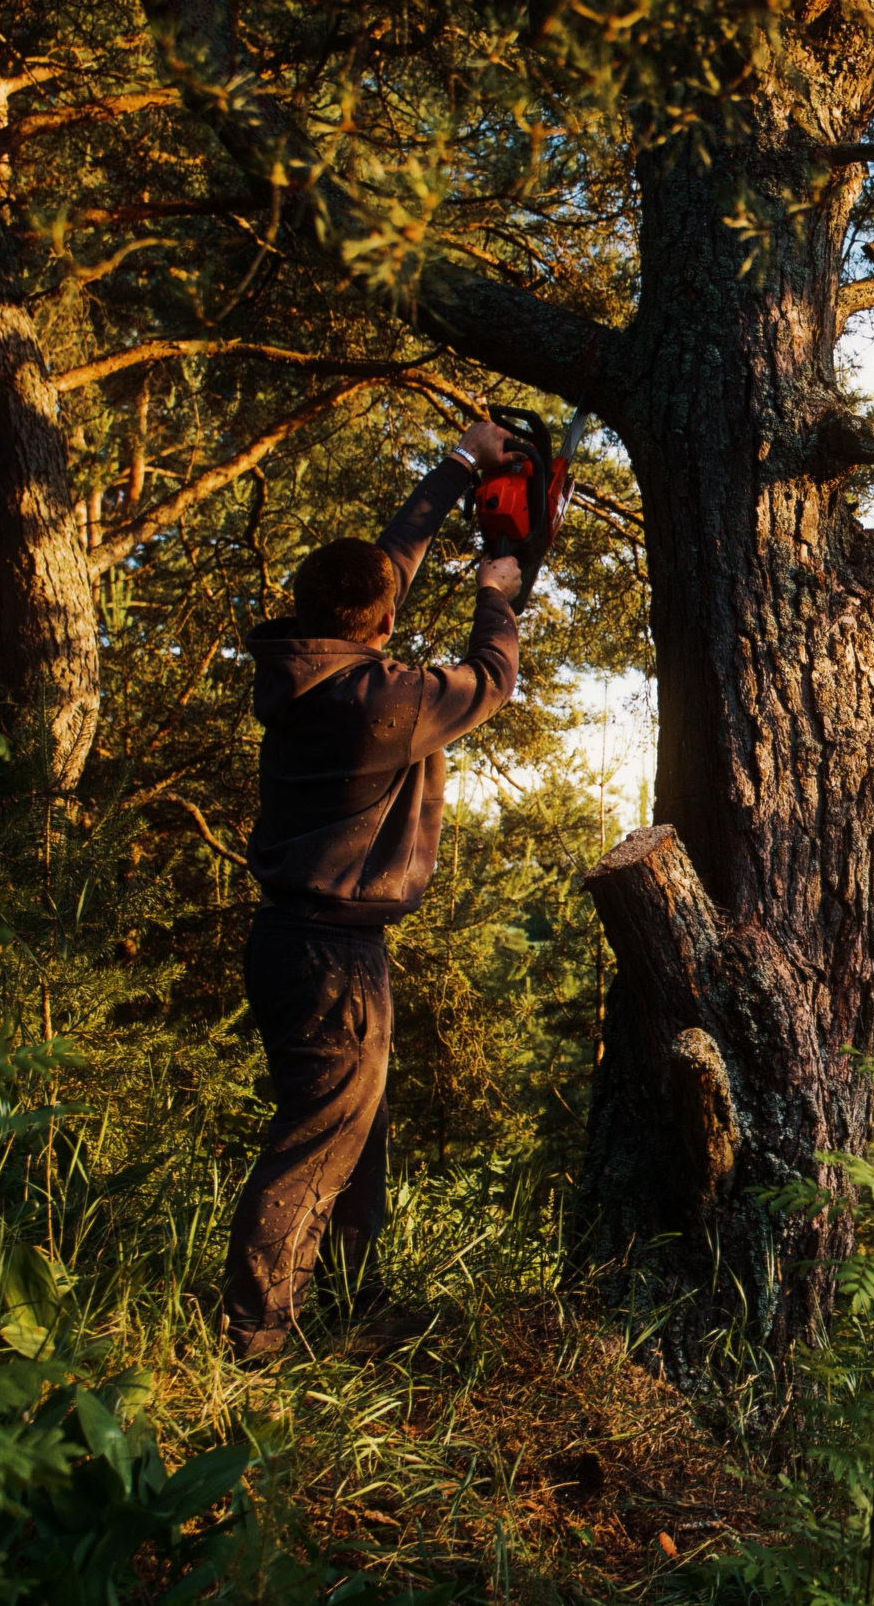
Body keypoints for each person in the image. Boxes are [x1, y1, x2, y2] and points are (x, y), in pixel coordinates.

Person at [223, 419, 523, 1359]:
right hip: (333, 956)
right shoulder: (380, 707)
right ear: (383, 623)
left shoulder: (307, 670)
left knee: (352, 1142)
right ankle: (254, 1344)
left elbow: (386, 564)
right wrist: (498, 592)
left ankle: (347, 1311)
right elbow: (493, 677)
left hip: (294, 940)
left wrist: (461, 467)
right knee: (316, 1149)